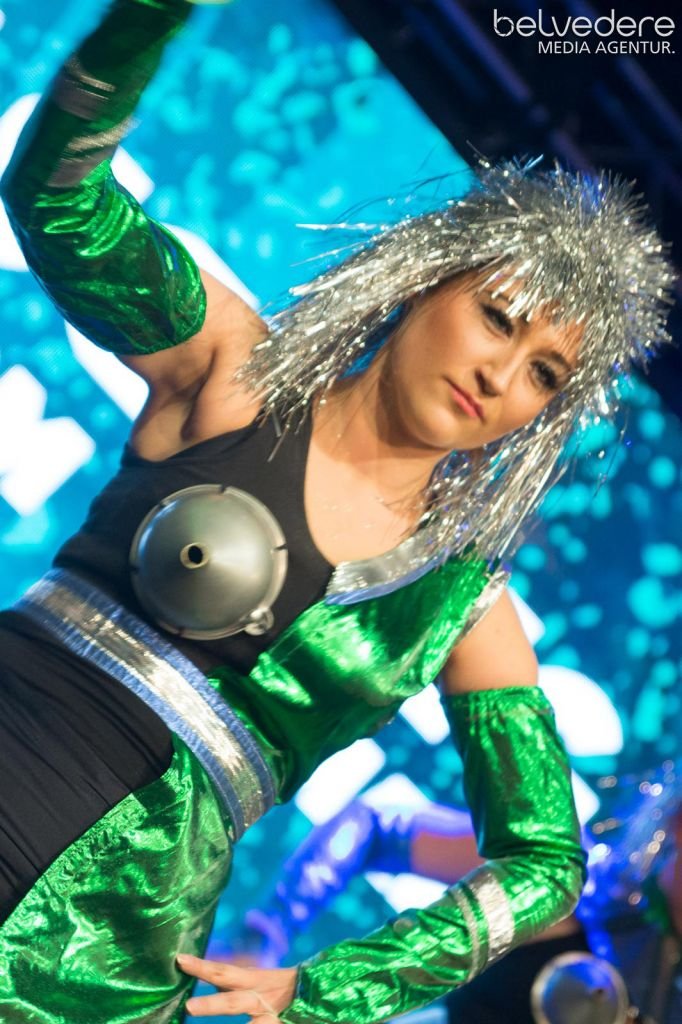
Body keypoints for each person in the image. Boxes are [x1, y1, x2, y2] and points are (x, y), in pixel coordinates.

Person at [0, 0, 674, 1021]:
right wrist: (149, 14)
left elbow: (544, 864)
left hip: (98, 963)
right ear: (427, 281)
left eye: (544, 373)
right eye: (498, 318)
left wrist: (327, 992)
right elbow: (54, 196)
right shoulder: (232, 374)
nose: (500, 376)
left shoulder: (459, 605)